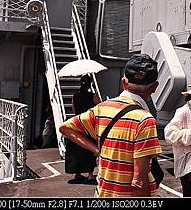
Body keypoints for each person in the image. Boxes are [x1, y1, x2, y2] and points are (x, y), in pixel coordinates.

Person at [59, 54, 162, 197]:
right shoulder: (145, 120)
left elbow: (65, 127)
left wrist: (96, 149)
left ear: (124, 83)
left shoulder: (102, 108)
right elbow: (139, 182)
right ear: (155, 87)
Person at [65, 75, 101, 185]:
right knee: (89, 148)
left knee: (77, 148)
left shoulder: (75, 96)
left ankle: (78, 173)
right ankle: (90, 175)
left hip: (77, 123)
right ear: (90, 83)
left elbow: (74, 109)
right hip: (89, 124)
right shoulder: (93, 96)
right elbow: (100, 106)